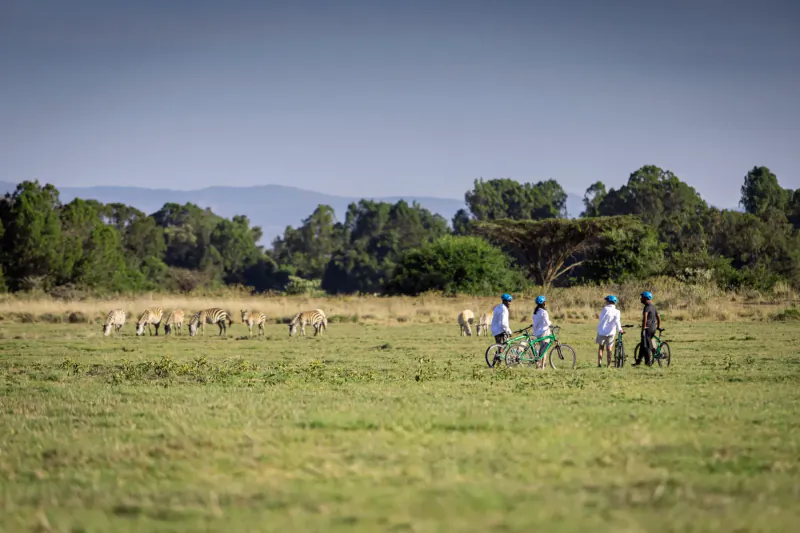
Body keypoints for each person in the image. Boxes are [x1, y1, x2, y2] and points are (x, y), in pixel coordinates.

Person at [633, 291, 661, 366]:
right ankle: (638, 361)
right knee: (643, 344)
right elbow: (658, 317)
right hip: (653, 328)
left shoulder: (647, 307)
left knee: (646, 346)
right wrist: (658, 326)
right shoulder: (653, 307)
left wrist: (644, 326)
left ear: (645, 298)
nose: (640, 299)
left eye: (642, 297)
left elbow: (645, 316)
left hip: (647, 329)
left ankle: (648, 363)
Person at [596, 295, 623, 367]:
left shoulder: (604, 309)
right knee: (609, 349)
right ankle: (608, 365)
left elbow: (600, 318)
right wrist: (620, 329)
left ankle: (599, 364)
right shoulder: (617, 311)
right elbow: (617, 321)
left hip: (602, 331)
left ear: (608, 301)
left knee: (601, 348)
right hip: (611, 332)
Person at [532, 295, 552, 368]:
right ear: (544, 303)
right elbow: (547, 322)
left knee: (542, 348)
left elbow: (535, 323)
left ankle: (540, 365)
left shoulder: (535, 312)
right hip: (544, 332)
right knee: (544, 350)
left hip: (538, 333)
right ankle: (542, 366)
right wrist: (551, 323)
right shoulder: (544, 312)